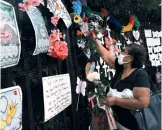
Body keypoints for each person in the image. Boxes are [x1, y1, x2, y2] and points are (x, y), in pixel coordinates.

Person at [94, 38, 150, 130]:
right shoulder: (121, 68)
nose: (121, 54)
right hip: (115, 120)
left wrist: (115, 101)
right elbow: (107, 57)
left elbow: (143, 102)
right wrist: (95, 41)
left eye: (124, 52)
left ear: (130, 58)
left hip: (129, 124)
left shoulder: (140, 74)